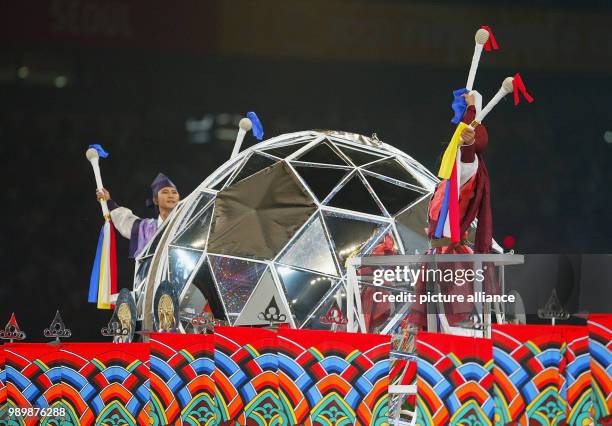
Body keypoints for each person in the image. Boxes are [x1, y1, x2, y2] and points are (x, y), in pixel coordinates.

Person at [409, 93, 495, 328]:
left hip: (452, 259)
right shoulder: (446, 182)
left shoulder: (466, 174)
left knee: (450, 321)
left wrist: (470, 117)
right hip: (437, 256)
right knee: (428, 322)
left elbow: (467, 159)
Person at [96, 173, 179, 258]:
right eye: (165, 192)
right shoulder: (146, 228)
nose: (171, 196)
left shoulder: (186, 224)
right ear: (155, 200)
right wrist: (109, 202)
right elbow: (126, 221)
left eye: (174, 192)